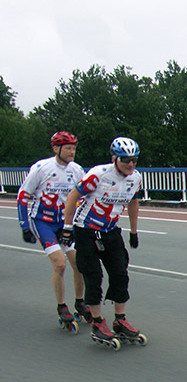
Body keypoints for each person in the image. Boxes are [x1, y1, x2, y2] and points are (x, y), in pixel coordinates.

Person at [60, 136, 143, 344]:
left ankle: (120, 319)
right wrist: (67, 228)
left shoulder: (136, 178)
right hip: (86, 230)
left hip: (110, 230)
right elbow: (72, 197)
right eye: (125, 160)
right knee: (93, 276)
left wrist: (134, 231)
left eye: (134, 159)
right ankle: (97, 321)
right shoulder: (98, 174)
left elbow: (133, 202)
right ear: (115, 158)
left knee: (120, 273)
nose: (130, 164)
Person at [16, 131, 87, 329]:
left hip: (65, 224)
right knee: (60, 263)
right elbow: (23, 196)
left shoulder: (77, 170)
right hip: (43, 222)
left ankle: (80, 302)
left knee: (79, 263)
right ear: (56, 149)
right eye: (68, 148)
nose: (72, 152)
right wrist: (25, 227)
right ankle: (61, 306)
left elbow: (83, 197)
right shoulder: (41, 168)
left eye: (74, 148)